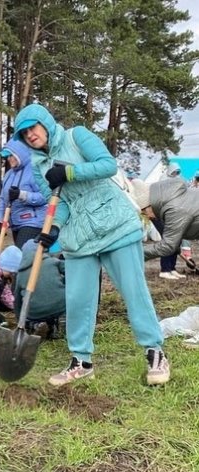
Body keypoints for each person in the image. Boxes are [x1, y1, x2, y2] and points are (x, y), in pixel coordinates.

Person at [13, 102, 168, 386]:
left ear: (45, 123)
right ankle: (81, 361)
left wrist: (69, 173)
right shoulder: (38, 164)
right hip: (79, 238)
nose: (30, 136)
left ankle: (155, 352)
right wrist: (54, 228)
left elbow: (108, 165)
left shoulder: (77, 136)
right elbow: (58, 202)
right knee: (77, 299)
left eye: (32, 128)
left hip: (115, 225)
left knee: (134, 292)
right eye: (23, 134)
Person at [128, 178, 199, 265]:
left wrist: (132, 255)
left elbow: (167, 246)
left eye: (144, 211)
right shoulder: (174, 200)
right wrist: (174, 244)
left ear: (150, 204)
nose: (147, 216)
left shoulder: (174, 209)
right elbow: (173, 239)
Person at [0, 141, 47, 247]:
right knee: (24, 259)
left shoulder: (34, 171)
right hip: (16, 223)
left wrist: (21, 195)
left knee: (21, 256)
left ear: (20, 154)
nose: (9, 159)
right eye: (7, 156)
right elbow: (3, 199)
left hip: (33, 222)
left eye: (11, 155)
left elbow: (45, 196)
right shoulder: (8, 175)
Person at [13, 239, 66, 339]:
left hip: (35, 312)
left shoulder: (20, 274)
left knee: (31, 318)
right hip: (59, 306)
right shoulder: (53, 262)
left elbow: (17, 300)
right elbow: (72, 271)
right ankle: (61, 323)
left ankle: (35, 325)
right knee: (62, 310)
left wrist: (19, 319)